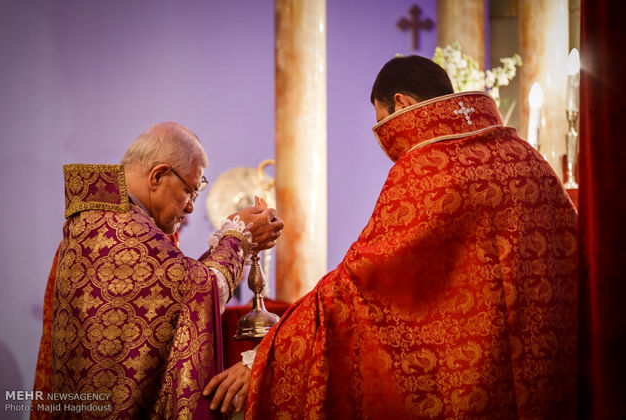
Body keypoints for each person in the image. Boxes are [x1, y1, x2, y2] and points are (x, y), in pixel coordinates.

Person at [246, 55, 578, 418]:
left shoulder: (425, 168)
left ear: (402, 104)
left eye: (382, 121)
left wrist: (264, 356)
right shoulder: (529, 160)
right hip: (551, 385)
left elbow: (359, 282)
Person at [31, 122, 284, 419]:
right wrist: (239, 236)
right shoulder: (119, 229)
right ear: (159, 176)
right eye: (189, 191)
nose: (190, 207)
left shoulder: (102, 218)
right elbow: (201, 291)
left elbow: (179, 290)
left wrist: (232, 241)